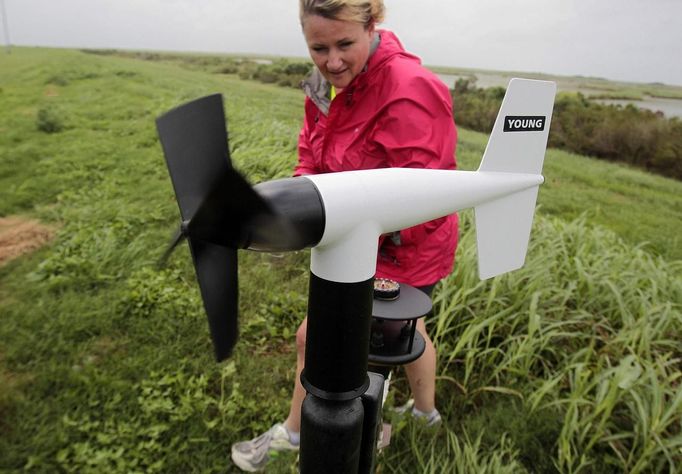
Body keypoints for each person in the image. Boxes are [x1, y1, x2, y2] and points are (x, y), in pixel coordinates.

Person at [231, 0, 458, 471]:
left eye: (345, 44)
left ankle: (294, 435)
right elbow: (310, 154)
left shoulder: (411, 90)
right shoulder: (322, 86)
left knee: (315, 339)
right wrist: (302, 204)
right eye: (318, 47)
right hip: (351, 234)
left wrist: (344, 233)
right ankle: (425, 412)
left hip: (404, 245)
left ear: (373, 26)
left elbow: (427, 195)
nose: (332, 61)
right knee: (409, 330)